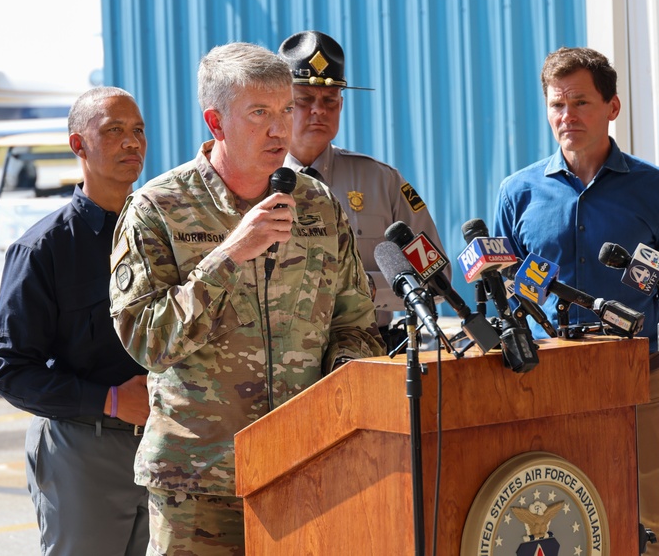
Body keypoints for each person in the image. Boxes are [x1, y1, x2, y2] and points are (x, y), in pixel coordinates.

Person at [109, 42, 385, 556]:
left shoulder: (316, 203)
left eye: (286, 110)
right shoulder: (158, 208)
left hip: (304, 469)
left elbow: (356, 322)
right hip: (199, 485)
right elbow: (147, 342)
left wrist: (336, 410)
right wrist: (231, 255)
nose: (281, 128)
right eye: (260, 113)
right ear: (216, 123)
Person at [494, 46, 659, 555]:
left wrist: (649, 363)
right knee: (550, 512)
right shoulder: (518, 193)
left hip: (638, 379)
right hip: (545, 381)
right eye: (557, 105)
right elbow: (502, 293)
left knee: (647, 517)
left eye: (581, 103)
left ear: (613, 107)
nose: (568, 117)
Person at [0, 87, 151, 556]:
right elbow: (10, 369)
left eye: (138, 131)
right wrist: (111, 400)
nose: (131, 143)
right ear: (79, 145)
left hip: (165, 446)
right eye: (114, 131)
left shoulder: (162, 237)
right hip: (83, 447)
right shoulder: (44, 250)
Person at [277, 30, 450, 351]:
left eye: (330, 101)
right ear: (281, 106)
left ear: (341, 105)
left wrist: (369, 288)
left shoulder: (381, 181)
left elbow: (438, 278)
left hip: (369, 351)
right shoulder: (255, 181)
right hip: (282, 358)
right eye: (304, 100)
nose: (319, 110)